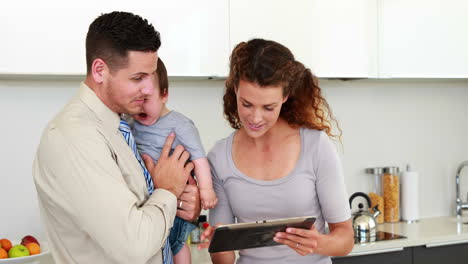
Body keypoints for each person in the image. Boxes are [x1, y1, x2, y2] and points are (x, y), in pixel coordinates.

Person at [33, 11, 201, 264]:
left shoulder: (122, 126)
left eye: (151, 76)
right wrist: (167, 191)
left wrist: (182, 204)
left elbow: (145, 214)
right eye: (137, 78)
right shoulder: (76, 138)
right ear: (100, 70)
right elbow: (134, 247)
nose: (148, 89)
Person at [200, 38, 354, 264]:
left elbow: (345, 239)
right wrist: (218, 242)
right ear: (235, 90)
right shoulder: (219, 157)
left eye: (268, 107)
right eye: (247, 104)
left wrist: (316, 243)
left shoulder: (315, 146)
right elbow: (223, 260)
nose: (255, 118)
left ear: (285, 96)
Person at [131, 57, 218, 263]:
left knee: (177, 243)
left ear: (164, 95)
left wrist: (206, 190)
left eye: (146, 99)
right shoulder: (128, 123)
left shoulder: (180, 125)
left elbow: (199, 158)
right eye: (136, 100)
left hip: (176, 200)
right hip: (148, 204)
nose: (140, 107)